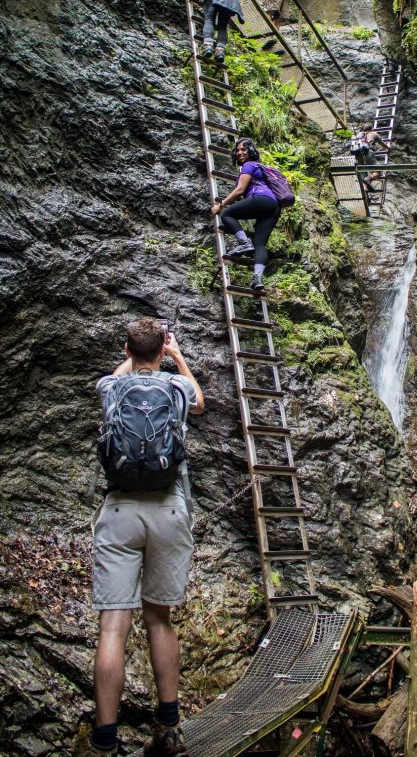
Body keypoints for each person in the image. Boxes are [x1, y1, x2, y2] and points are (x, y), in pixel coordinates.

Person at [91, 319, 205, 757]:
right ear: (161, 351)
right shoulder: (174, 388)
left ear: (126, 349)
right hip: (169, 509)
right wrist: (176, 358)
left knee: (113, 628)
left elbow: (115, 379)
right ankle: (169, 728)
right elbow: (198, 402)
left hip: (119, 510)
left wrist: (130, 361)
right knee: (160, 619)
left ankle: (105, 742)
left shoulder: (111, 388)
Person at [210, 137, 281, 293]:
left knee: (227, 214)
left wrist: (221, 205)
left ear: (251, 151)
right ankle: (257, 279)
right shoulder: (259, 167)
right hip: (274, 207)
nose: (240, 152)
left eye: (243, 149)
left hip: (261, 199)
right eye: (238, 150)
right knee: (260, 244)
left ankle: (244, 242)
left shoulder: (248, 166)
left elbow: (240, 190)